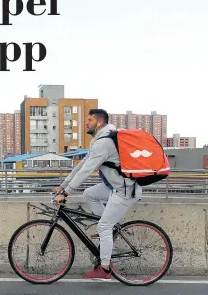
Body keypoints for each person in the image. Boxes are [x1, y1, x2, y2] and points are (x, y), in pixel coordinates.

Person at [53, 108, 142, 281]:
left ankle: (105, 270)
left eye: (89, 120)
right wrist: (62, 186)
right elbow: (82, 165)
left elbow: (87, 170)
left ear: (99, 122)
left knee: (103, 227)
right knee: (89, 194)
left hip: (125, 190)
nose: (86, 122)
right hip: (115, 186)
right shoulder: (100, 140)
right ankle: (111, 228)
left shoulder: (104, 143)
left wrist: (67, 193)